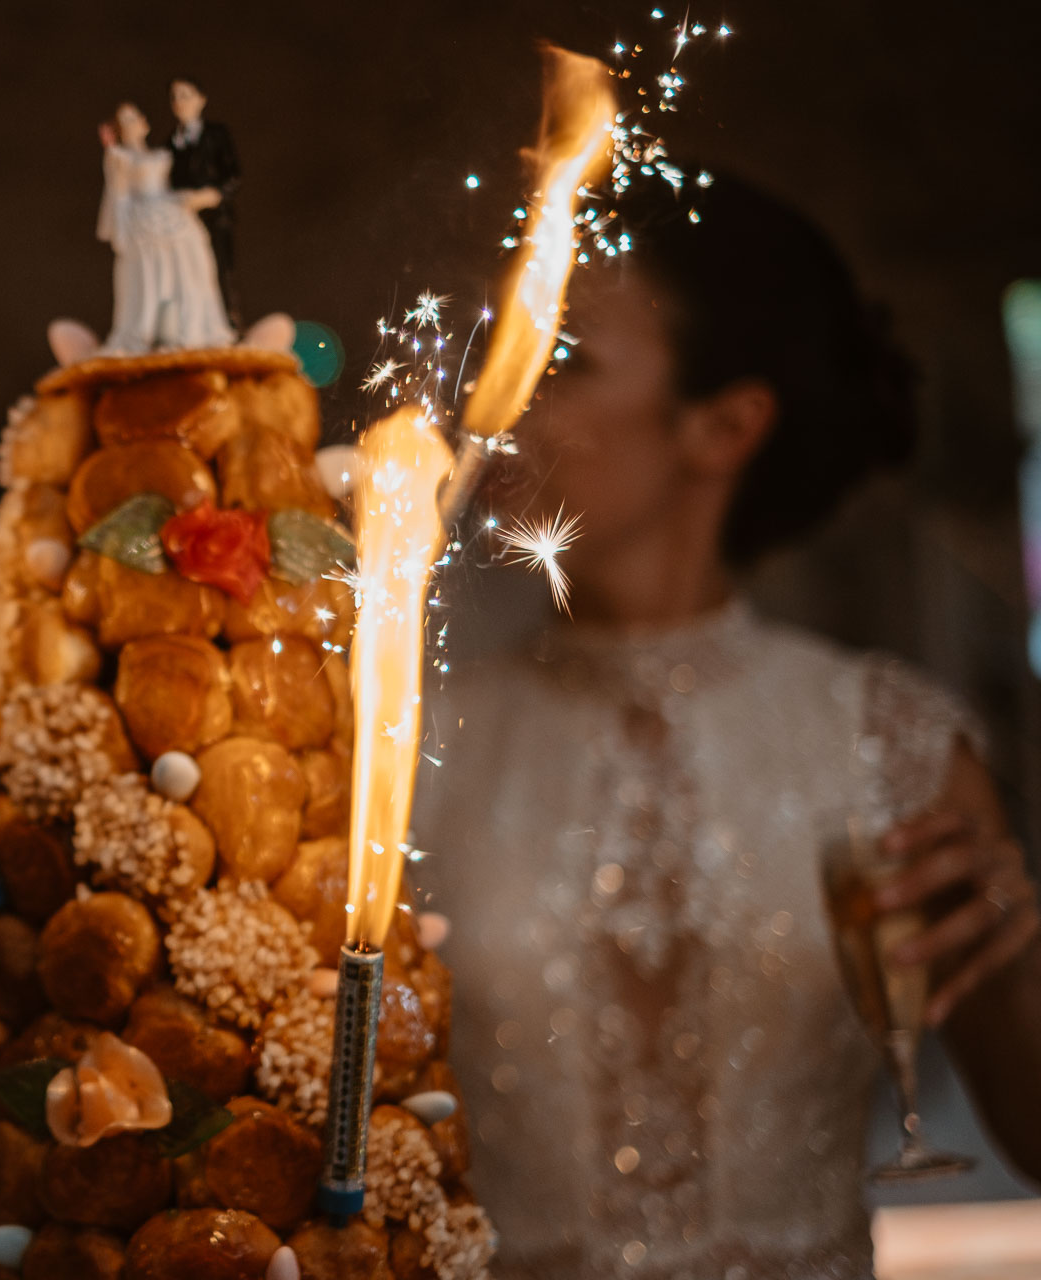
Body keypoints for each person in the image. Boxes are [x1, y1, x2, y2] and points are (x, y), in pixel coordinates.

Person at [410, 174, 1041, 1278]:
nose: (495, 400)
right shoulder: (417, 747)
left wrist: (1016, 956)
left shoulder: (888, 740)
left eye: (558, 361)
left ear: (722, 425)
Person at [96, 102, 235, 355]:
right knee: (152, 279)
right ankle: (154, 333)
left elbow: (173, 183)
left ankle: (192, 329)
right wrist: (124, 232)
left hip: (175, 214)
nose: (135, 121)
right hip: (145, 224)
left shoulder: (162, 153)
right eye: (126, 119)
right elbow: (120, 197)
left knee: (191, 271)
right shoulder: (120, 157)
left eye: (136, 115)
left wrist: (197, 196)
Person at [165, 77, 241, 332]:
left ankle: (229, 324)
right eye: (175, 96)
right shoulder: (169, 144)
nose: (179, 101)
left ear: (201, 99)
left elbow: (234, 174)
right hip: (181, 222)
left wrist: (214, 195)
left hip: (215, 216)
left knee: (219, 269)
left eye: (186, 94)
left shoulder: (216, 134)